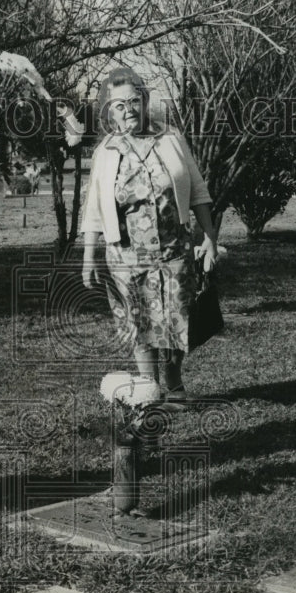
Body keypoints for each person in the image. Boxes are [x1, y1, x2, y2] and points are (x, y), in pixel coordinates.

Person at [81, 66, 219, 400]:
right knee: (138, 323)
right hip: (125, 255)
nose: (128, 109)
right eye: (118, 105)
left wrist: (210, 238)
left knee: (175, 320)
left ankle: (173, 384)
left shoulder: (170, 137)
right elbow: (94, 210)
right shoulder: (105, 152)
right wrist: (88, 259)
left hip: (174, 250)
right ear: (109, 112)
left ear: (144, 100)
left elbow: (198, 190)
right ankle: (148, 389)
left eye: (133, 100)